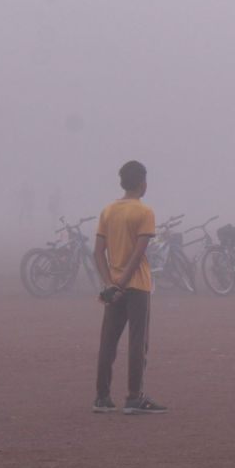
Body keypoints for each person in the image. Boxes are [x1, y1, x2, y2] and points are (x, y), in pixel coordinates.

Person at [93, 161, 167, 414]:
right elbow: (139, 253)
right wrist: (123, 282)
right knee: (138, 341)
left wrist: (110, 284)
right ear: (142, 183)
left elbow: (98, 253)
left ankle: (102, 397)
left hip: (113, 286)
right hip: (137, 285)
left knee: (108, 341)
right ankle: (134, 396)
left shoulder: (108, 210)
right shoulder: (144, 212)